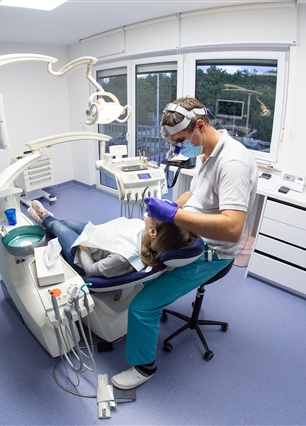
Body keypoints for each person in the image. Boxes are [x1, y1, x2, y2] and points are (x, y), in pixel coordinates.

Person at [111, 97, 258, 390]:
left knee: (142, 306)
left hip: (211, 253)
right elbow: (194, 194)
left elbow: (232, 229)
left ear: (199, 126)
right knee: (139, 262)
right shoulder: (207, 153)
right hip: (190, 235)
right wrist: (169, 207)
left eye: (180, 140)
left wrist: (174, 217)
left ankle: (144, 367)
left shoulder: (233, 163)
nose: (178, 148)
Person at [27, 200, 197, 279]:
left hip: (84, 254)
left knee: (57, 226)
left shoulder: (124, 258)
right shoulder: (145, 230)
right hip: (97, 236)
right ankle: (46, 223)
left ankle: (44, 217)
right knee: (67, 223)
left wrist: (83, 248)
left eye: (160, 215)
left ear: (153, 232)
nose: (156, 211)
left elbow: (90, 270)